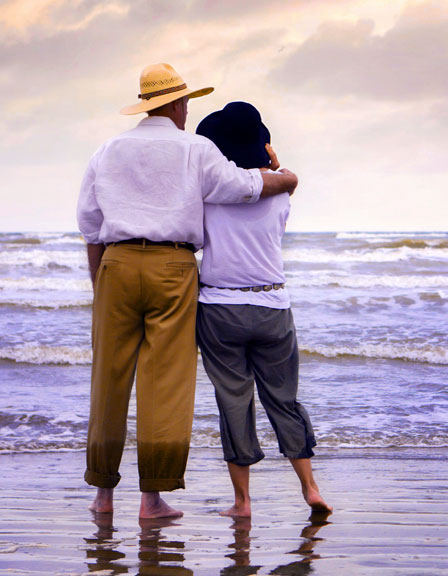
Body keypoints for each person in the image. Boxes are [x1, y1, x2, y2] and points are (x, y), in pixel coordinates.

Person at [76, 64, 299, 519]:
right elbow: (244, 186)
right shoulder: (196, 148)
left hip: (116, 264)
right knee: (165, 383)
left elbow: (90, 226)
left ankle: (102, 495)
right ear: (178, 104)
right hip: (173, 266)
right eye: (186, 103)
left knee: (108, 382)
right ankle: (151, 499)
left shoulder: (107, 149)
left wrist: (101, 286)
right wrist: (288, 179)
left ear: (145, 105)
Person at [194, 101, 331, 517]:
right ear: (262, 145)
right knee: (283, 399)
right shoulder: (281, 192)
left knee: (234, 400)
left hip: (220, 308)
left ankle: (242, 502)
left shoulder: (208, 194)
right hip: (272, 304)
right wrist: (274, 161)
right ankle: (310, 487)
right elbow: (283, 180)